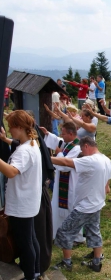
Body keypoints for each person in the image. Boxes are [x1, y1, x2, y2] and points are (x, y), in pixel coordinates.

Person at [51, 136, 111, 272]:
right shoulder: (107, 160)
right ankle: (97, 261)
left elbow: (66, 162)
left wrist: (46, 158)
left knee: (65, 231)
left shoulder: (90, 160)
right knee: (93, 230)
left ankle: (67, 262)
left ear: (86, 146)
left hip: (85, 206)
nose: (82, 154)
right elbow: (107, 188)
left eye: (82, 151)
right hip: (97, 203)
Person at [0, 110, 42, 280]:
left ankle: (30, 276)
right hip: (28, 201)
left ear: (20, 127)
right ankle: (36, 270)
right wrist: (4, 139)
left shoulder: (24, 151)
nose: (10, 130)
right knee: (31, 238)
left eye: (11, 127)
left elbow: (11, 172)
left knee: (25, 243)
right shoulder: (32, 144)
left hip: (21, 204)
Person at [41, 122, 86, 244]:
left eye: (64, 133)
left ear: (71, 134)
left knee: (71, 209)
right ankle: (60, 232)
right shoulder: (69, 143)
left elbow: (66, 164)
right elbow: (58, 140)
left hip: (71, 183)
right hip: (62, 182)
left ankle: (76, 237)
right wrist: (47, 134)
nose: (62, 135)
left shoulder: (77, 148)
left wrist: (59, 153)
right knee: (58, 208)